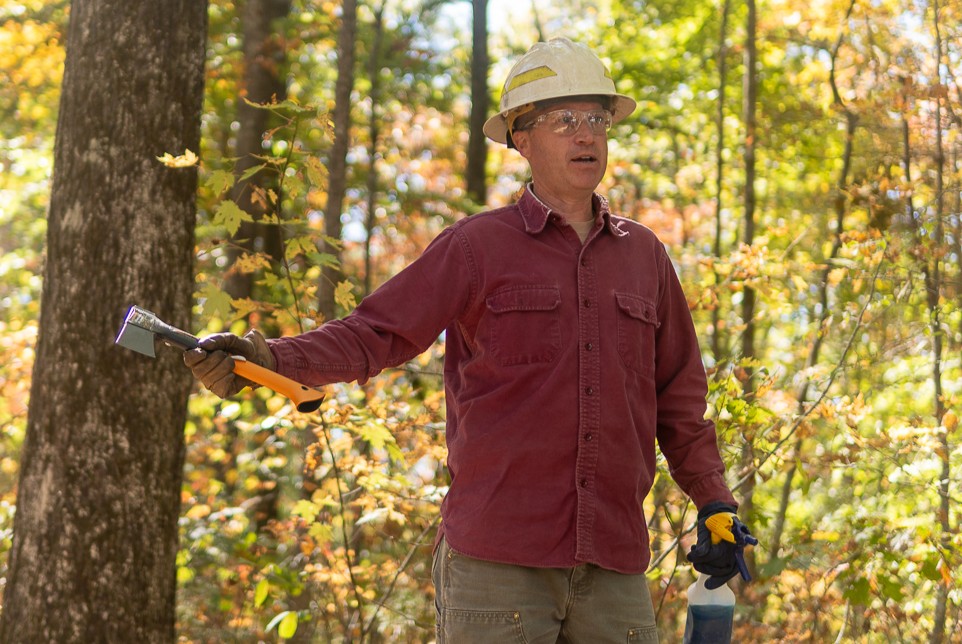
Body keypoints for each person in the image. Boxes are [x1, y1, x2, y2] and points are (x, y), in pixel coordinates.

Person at [185, 37, 752, 643]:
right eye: (564, 120)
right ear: (520, 138)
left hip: (614, 566)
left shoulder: (646, 257)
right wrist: (269, 356)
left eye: (596, 118)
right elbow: (377, 333)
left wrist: (715, 501)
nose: (585, 135)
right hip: (496, 567)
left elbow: (681, 402)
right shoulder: (476, 248)